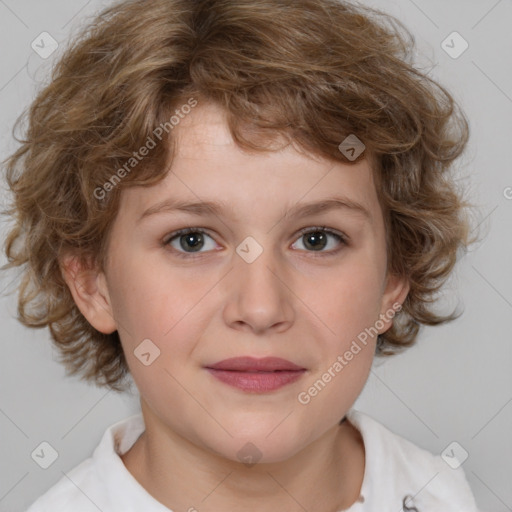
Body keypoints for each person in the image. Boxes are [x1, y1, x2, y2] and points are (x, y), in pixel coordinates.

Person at [1, 0, 481, 510]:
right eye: (192, 240)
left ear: (393, 278)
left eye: (317, 239)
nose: (260, 308)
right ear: (92, 283)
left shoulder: (441, 494)